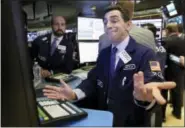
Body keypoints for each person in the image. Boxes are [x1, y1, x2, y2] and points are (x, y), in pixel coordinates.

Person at [43, 4, 176, 127]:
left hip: (130, 122)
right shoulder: (105, 54)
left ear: (128, 25)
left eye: (114, 20)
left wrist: (145, 98)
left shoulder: (145, 53)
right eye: (105, 22)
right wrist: (74, 93)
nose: (108, 25)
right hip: (105, 119)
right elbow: (92, 80)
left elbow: (153, 83)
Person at [142, 23, 167, 126]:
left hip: (151, 83)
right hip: (160, 81)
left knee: (151, 113)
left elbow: (154, 66)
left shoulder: (149, 48)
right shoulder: (161, 47)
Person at [163, 23, 185, 120]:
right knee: (178, 92)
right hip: (180, 69)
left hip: (166, 70)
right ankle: (177, 113)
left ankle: (162, 115)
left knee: (164, 91)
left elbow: (163, 56)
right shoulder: (183, 40)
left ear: (168, 30)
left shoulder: (165, 41)